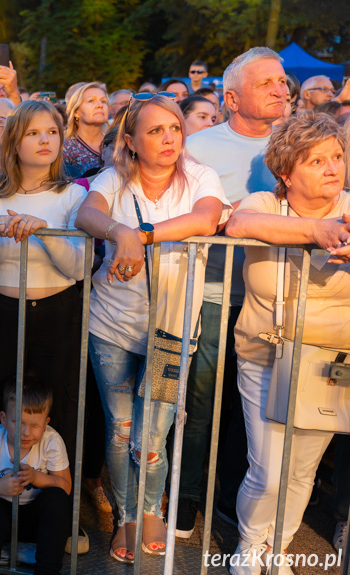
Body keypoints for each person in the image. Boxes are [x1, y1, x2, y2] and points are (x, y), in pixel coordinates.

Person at [74, 92, 230, 561]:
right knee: (121, 428)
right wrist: (118, 232)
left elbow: (205, 217)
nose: (168, 138)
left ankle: (151, 509)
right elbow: (86, 213)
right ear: (131, 140)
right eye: (155, 130)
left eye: (175, 128)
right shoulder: (112, 179)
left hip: (172, 331)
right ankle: (124, 516)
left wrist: (138, 237)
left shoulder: (200, 176)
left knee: (152, 434)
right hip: (112, 326)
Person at [223, 112, 350, 573]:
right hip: (266, 354)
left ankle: (279, 547)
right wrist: (317, 231)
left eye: (337, 156)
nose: (333, 168)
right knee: (271, 469)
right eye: (317, 160)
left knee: (302, 470)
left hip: (331, 363)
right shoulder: (265, 203)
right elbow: (237, 226)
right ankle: (250, 544)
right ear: (286, 172)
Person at [181, 47, 288, 535]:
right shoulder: (199, 146)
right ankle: (185, 497)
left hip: (279, 301)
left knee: (257, 413)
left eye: (282, 81)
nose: (281, 89)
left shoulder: (296, 143)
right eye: (267, 82)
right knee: (201, 402)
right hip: (214, 293)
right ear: (231, 97)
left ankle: (229, 501)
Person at [0, 99, 87, 465]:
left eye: (52, 132)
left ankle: (53, 496)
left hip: (58, 313)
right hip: (0, 310)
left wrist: (45, 233)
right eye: (33, 133)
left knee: (59, 399)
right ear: (14, 141)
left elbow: (80, 269)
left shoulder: (73, 195)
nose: (45, 140)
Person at [0, 378, 73, 575]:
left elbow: (66, 486)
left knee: (57, 499)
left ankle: (47, 570)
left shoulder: (52, 440)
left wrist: (36, 477)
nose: (27, 432)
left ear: (45, 424)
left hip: (37, 521)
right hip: (3, 516)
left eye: (35, 425)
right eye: (18, 422)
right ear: (3, 418)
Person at [63, 82, 109, 178]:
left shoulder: (117, 141)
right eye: (91, 101)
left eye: (103, 101)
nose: (100, 105)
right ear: (76, 112)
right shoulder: (65, 148)